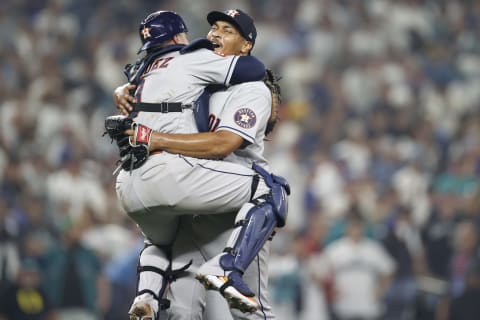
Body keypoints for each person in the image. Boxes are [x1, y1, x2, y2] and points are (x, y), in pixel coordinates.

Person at [108, 9, 289, 319]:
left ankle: (224, 268)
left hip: (237, 213)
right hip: (195, 206)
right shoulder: (203, 79)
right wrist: (126, 91)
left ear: (246, 46)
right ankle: (148, 299)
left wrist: (157, 139)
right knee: (182, 311)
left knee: (251, 313)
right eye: (214, 28)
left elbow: (224, 145)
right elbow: (159, 79)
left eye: (228, 30)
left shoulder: (252, 88)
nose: (216, 34)